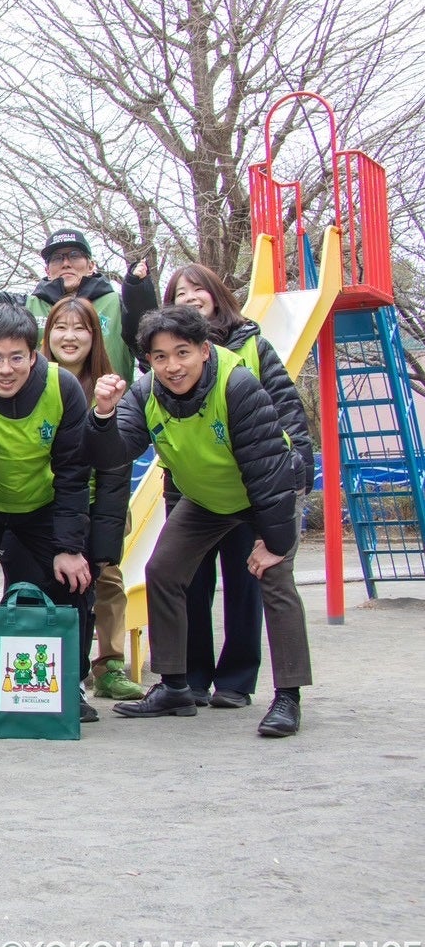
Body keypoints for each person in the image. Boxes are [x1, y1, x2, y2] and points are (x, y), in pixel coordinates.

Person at [88, 306, 311, 737]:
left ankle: (288, 696)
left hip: (267, 489)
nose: (173, 366)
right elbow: (112, 453)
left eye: (182, 353)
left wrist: (274, 542)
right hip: (207, 496)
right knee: (163, 570)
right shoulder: (145, 393)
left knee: (275, 577)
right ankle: (175, 686)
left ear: (205, 351)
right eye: (160, 357)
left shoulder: (237, 385)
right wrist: (103, 415)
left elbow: (267, 470)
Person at [0, 304, 98, 722]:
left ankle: (73, 682)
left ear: (34, 354)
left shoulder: (63, 387)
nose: (5, 370)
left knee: (73, 580)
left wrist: (69, 547)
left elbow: (73, 471)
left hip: (38, 503)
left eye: (16, 358)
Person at [163, 263, 314, 707]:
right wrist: (135, 286)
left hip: (253, 486)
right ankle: (189, 678)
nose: (190, 297)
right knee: (188, 580)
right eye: (179, 293)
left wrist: (298, 470)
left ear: (215, 294)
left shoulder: (252, 346)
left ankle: (237, 680)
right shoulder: (168, 356)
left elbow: (286, 408)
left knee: (248, 579)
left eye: (197, 289)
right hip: (194, 486)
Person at [41, 297, 143, 701]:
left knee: (107, 578)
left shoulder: (109, 386)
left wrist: (105, 527)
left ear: (95, 336)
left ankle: (110, 665)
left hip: (100, 502)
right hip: (48, 503)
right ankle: (57, 672)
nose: (69, 337)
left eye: (80, 328)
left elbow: (117, 464)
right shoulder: (31, 382)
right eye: (60, 327)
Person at [0, 219, 156, 382]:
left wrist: (139, 291)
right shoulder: (26, 307)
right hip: (45, 420)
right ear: (47, 270)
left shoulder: (118, 305)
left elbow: (150, 347)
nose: (66, 263)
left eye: (74, 255)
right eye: (57, 258)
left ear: (91, 265)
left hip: (108, 416)